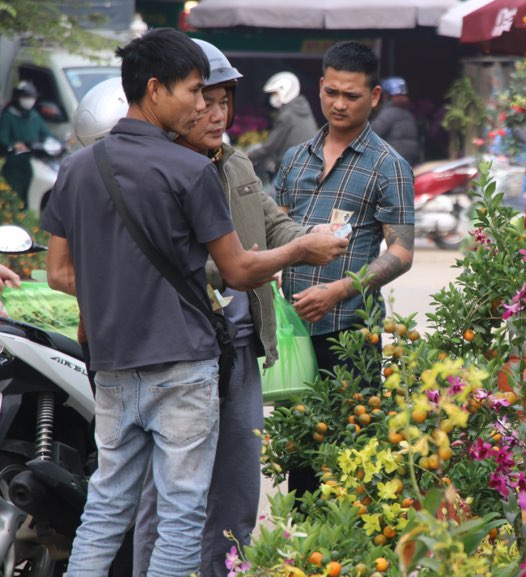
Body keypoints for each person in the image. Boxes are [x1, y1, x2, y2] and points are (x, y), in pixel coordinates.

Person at [40, 28, 347, 577]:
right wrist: (303, 247)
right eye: (195, 92)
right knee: (180, 513)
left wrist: (116, 292)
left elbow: (60, 272)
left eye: (215, 96)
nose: (205, 105)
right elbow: (236, 269)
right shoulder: (186, 171)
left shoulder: (77, 169)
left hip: (113, 363)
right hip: (182, 360)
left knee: (108, 507)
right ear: (155, 90)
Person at [130, 39, 341, 577]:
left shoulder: (236, 161)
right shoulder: (163, 170)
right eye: (206, 100)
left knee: (239, 488)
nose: (217, 114)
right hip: (182, 351)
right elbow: (194, 264)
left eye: (225, 101)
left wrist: (309, 238)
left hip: (241, 347)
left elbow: (268, 222)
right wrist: (290, 252)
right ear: (177, 99)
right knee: (172, 494)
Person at [275, 41, 415, 496]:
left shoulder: (389, 166)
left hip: (349, 335)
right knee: (300, 456)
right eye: (332, 92)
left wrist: (340, 290)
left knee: (348, 456)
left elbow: (402, 252)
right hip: (290, 334)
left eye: (352, 95)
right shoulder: (295, 160)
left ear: (374, 97)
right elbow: (273, 232)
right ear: (319, 87)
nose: (339, 103)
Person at [247, 71, 318, 181]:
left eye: (274, 94)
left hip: (291, 169)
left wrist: (248, 155)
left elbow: (269, 147)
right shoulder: (303, 109)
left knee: (269, 196)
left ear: (284, 91)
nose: (272, 98)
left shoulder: (287, 115)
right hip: (307, 166)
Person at [0, 80, 52, 208]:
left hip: (33, 162)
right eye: (26, 97)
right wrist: (14, 145)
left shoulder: (34, 116)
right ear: (18, 97)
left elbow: (47, 134)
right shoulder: (9, 115)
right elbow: (3, 138)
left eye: (32, 97)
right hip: (14, 164)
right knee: (14, 199)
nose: (30, 100)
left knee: (30, 198)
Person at [370, 76, 419, 165]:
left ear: (386, 96)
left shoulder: (389, 113)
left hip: (393, 160)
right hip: (408, 160)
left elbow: (371, 133)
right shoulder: (408, 114)